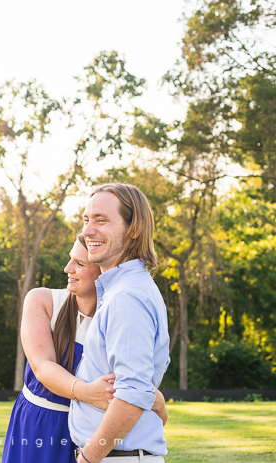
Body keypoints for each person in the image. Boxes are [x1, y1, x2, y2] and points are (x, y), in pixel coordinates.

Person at [2, 234, 168, 463]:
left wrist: (157, 402)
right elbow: (42, 366)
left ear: (103, 272)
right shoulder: (42, 301)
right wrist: (87, 393)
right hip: (37, 425)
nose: (67, 268)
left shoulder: (119, 315)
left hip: (90, 435)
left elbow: (135, 385)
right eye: (71, 259)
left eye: (80, 264)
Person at [70, 183, 171, 463]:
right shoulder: (120, 290)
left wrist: (88, 458)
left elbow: (133, 393)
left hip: (116, 458)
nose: (88, 231)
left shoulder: (127, 297)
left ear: (134, 229)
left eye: (101, 220)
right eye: (87, 219)